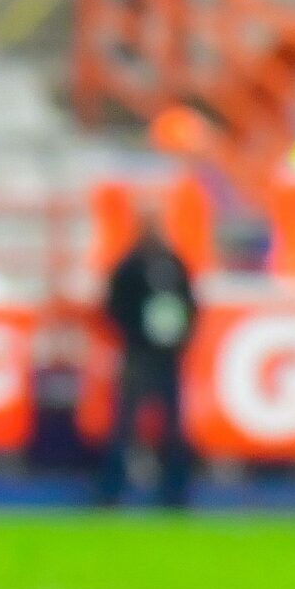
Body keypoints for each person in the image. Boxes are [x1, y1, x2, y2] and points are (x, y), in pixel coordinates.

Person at [97, 196, 199, 508]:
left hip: (166, 358)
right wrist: (135, 333)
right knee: (124, 426)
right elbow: (113, 306)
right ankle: (111, 492)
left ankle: (175, 493)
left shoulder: (173, 263)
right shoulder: (130, 266)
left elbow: (191, 305)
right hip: (138, 356)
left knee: (173, 429)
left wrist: (178, 339)